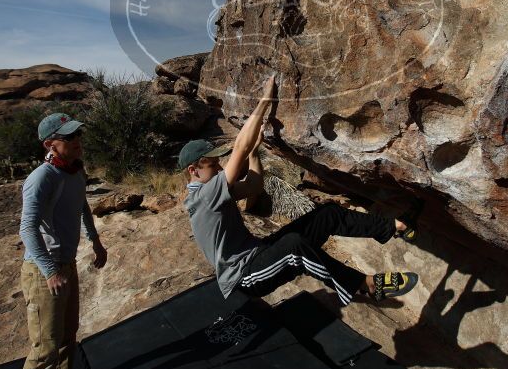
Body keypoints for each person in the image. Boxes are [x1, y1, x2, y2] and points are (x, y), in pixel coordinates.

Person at [179, 76, 419, 307]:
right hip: (245, 277)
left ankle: (393, 226)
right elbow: (239, 147)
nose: (220, 165)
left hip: (259, 254)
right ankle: (363, 284)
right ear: (194, 170)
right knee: (295, 246)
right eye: (212, 163)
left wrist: (254, 153)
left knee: (327, 215)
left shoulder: (212, 194)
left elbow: (254, 185)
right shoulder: (203, 196)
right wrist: (264, 102)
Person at [18, 113, 108, 369]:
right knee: (45, 347)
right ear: (50, 145)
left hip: (66, 264)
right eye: (69, 137)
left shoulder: (75, 169)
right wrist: (49, 271)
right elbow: (27, 228)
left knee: (69, 337)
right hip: (43, 269)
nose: (78, 140)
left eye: (78, 134)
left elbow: (82, 206)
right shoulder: (42, 178)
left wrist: (95, 241)